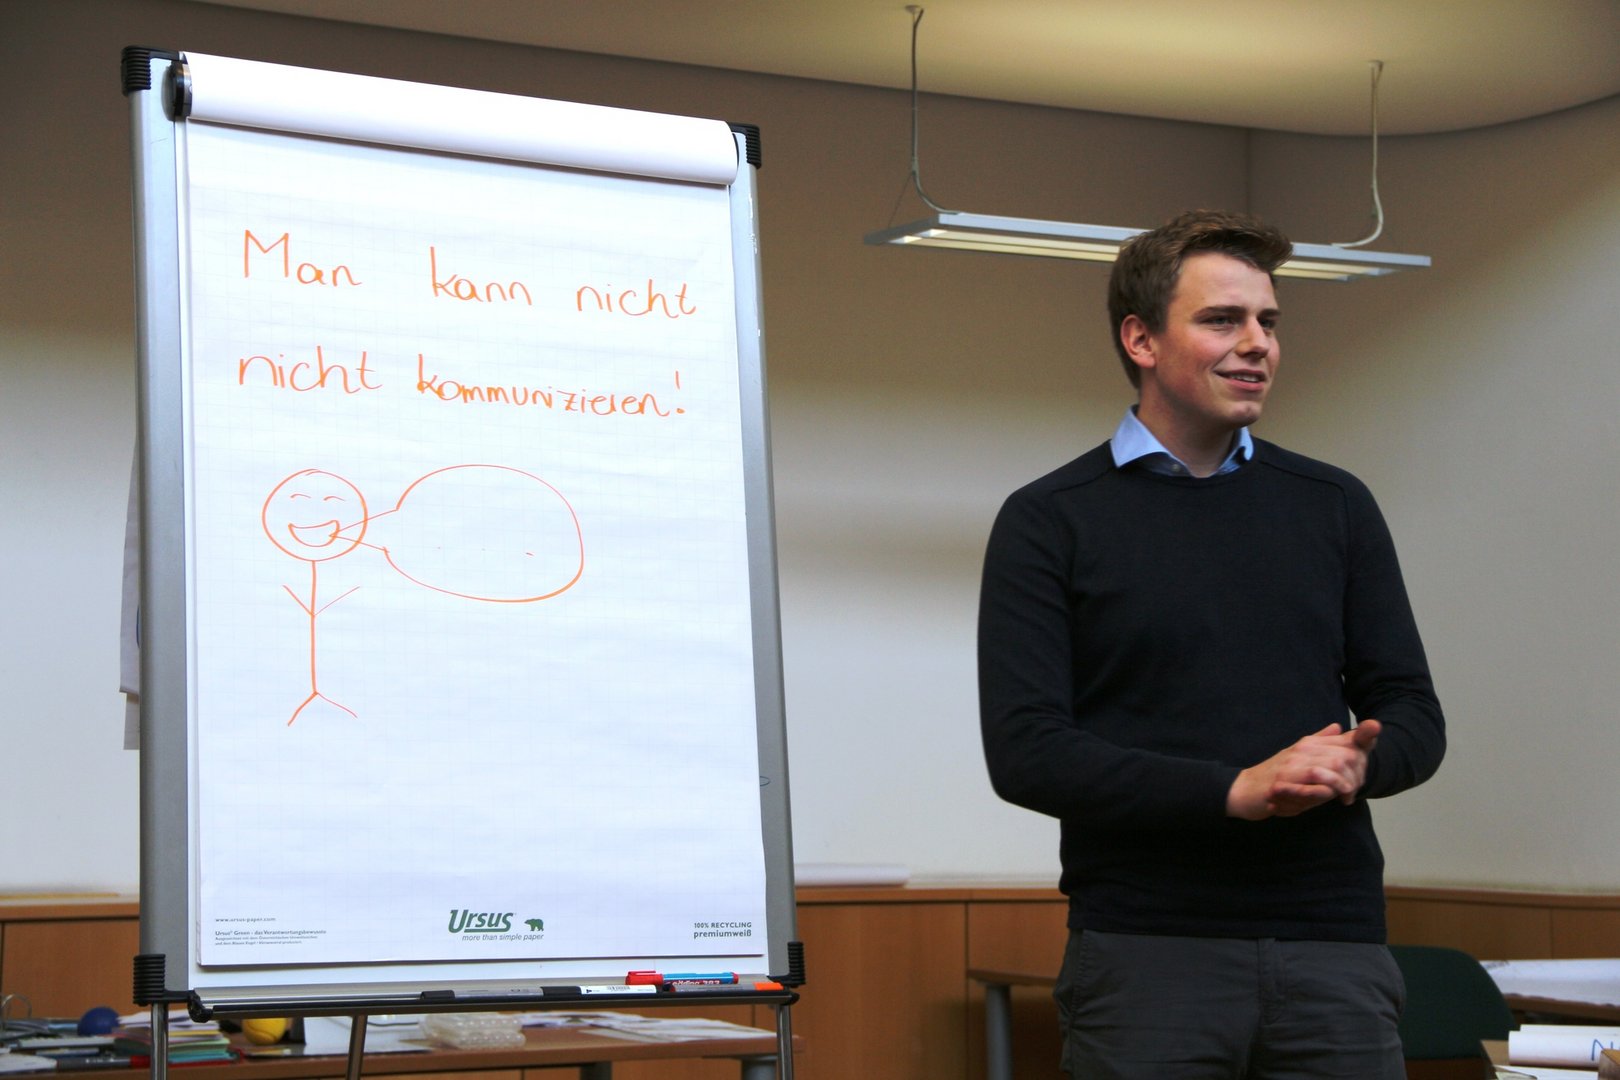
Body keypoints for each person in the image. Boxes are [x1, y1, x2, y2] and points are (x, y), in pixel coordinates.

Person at [976, 209, 1445, 1079]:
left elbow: (1413, 713)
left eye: (1268, 321)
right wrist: (1233, 790)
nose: (1257, 343)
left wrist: (1358, 763)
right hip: (1147, 955)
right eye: (1223, 320)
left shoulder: (1335, 505)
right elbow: (1028, 752)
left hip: (1334, 949)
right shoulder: (1050, 520)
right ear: (1141, 339)